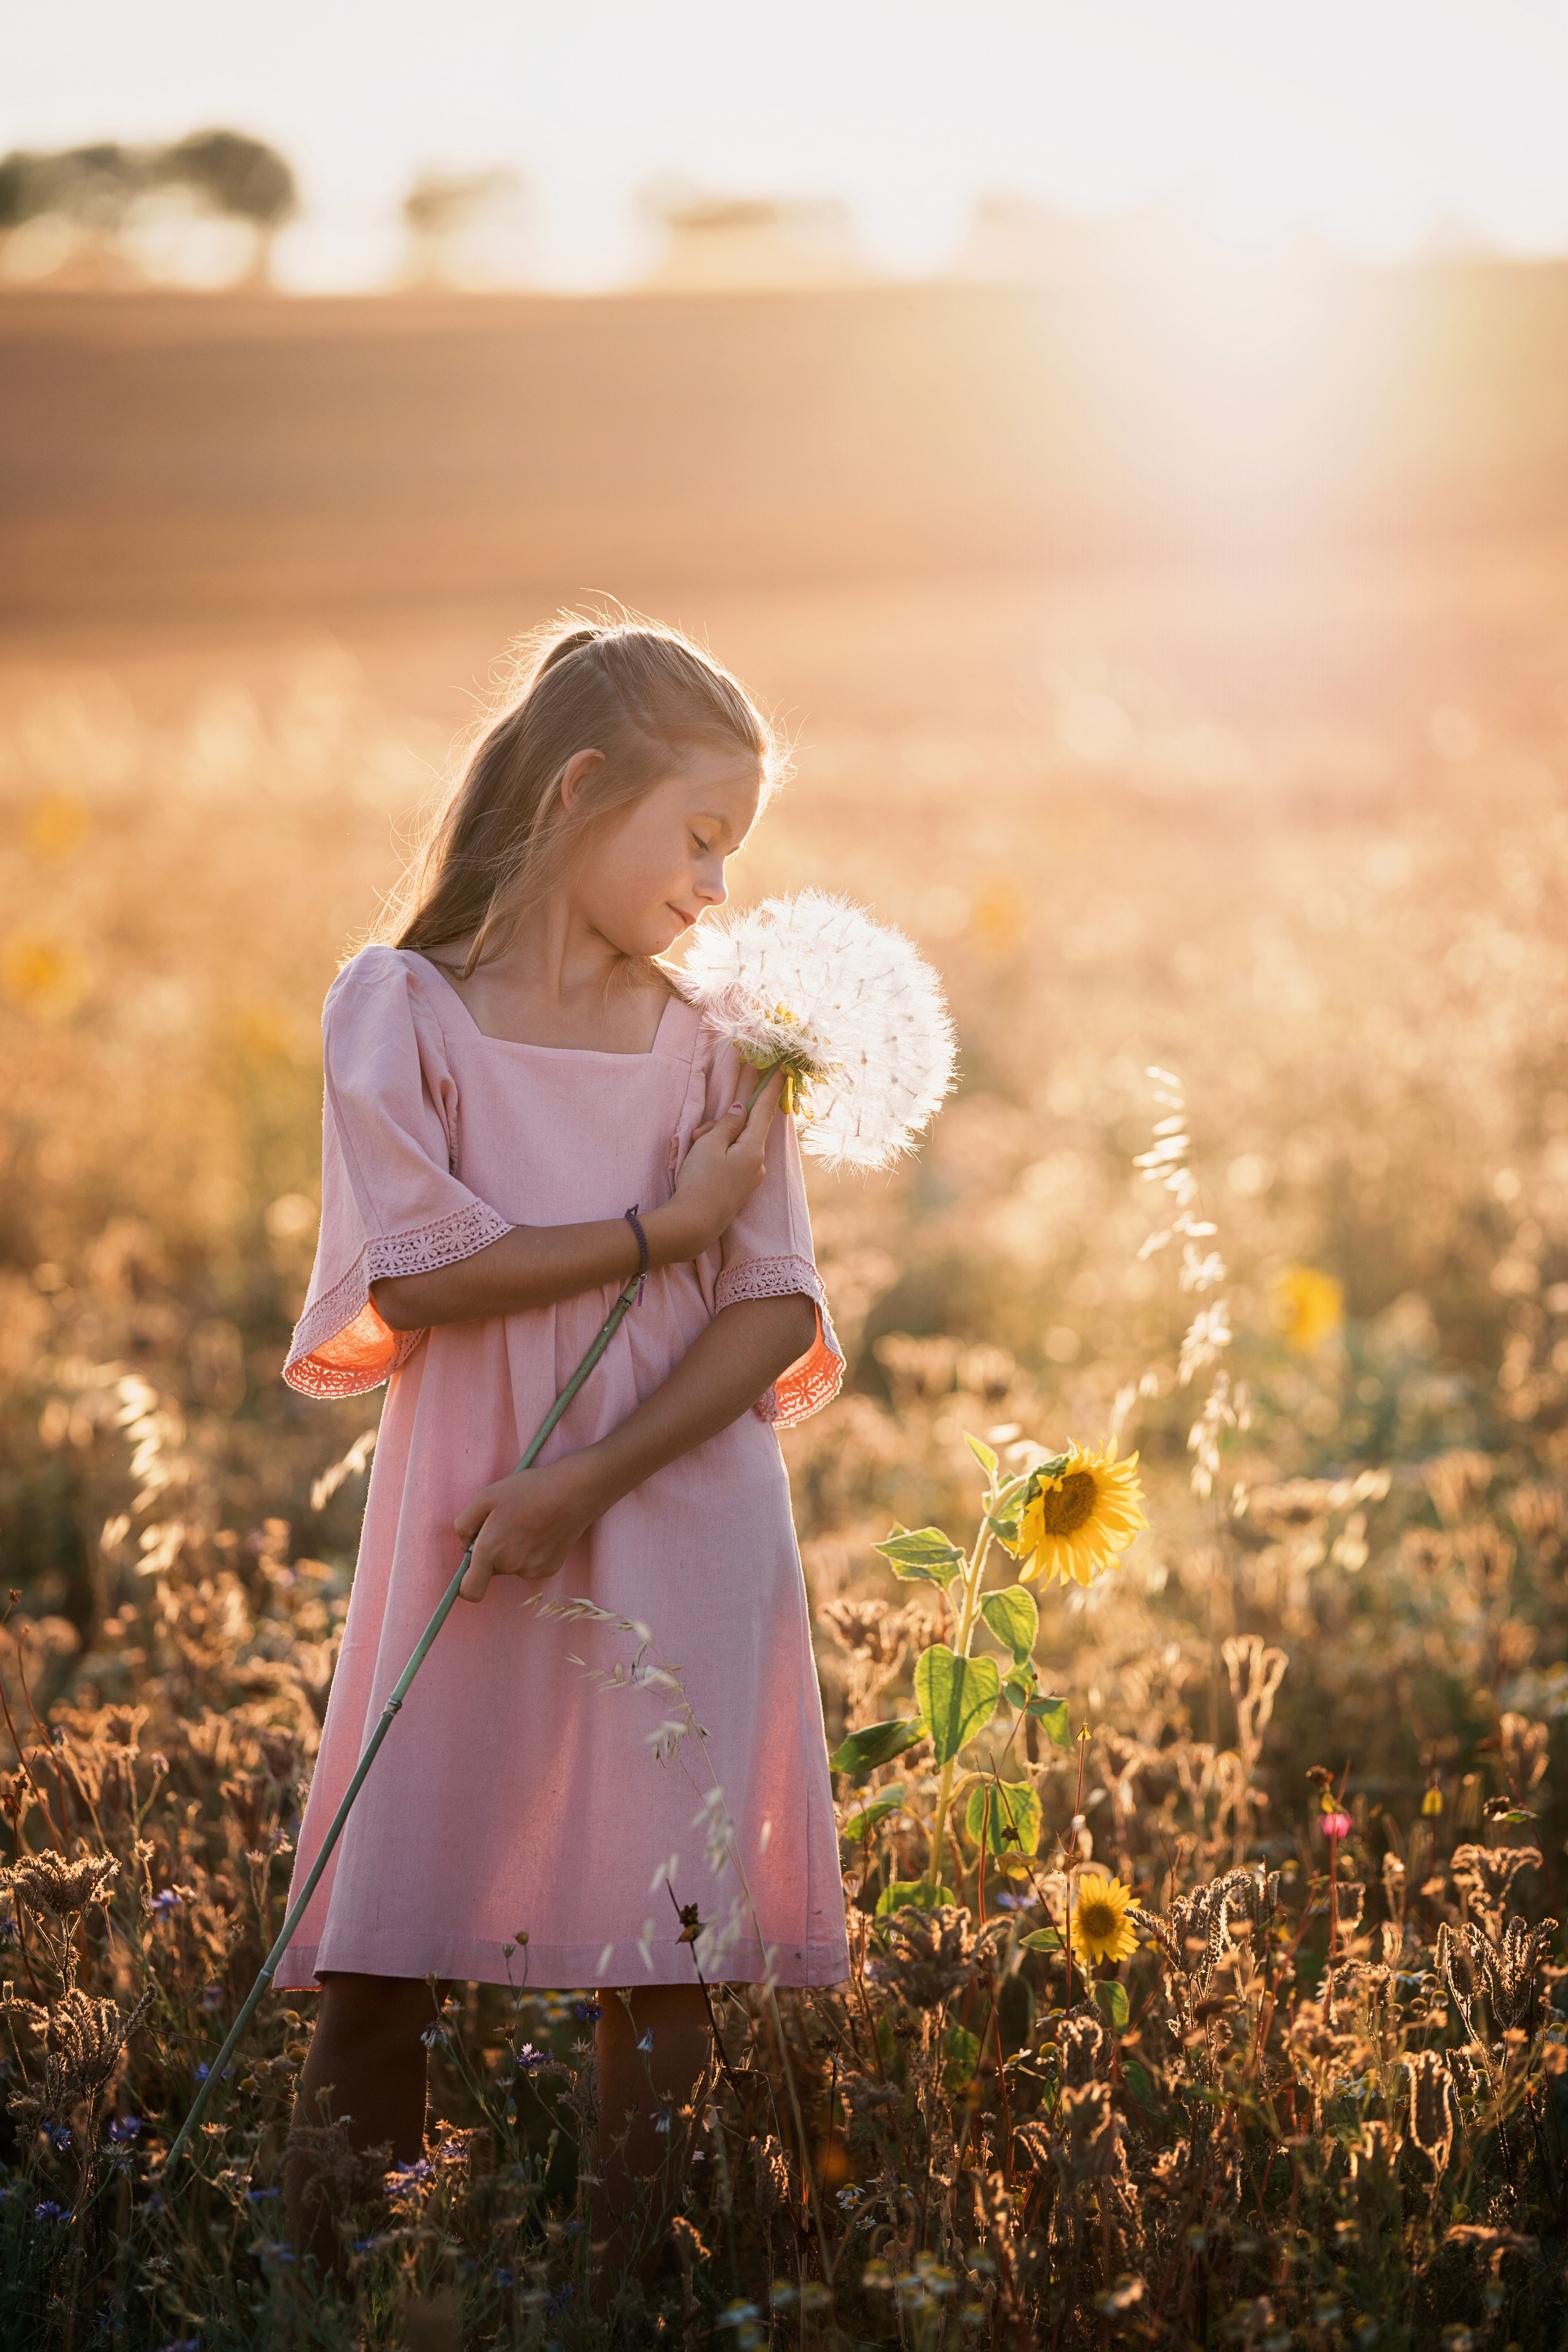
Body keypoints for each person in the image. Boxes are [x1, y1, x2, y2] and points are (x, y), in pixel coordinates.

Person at [277, 616, 850, 2270]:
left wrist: (588, 1481)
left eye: (732, 853)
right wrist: (658, 1233)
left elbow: (773, 1307)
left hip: (672, 1507)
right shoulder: (402, 1010)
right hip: (467, 1512)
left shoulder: (722, 1038)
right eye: (697, 837)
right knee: (386, 1938)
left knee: (658, 1947)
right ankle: (337, 2291)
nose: (716, 890)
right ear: (584, 788)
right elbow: (425, 1268)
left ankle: (631, 2296)